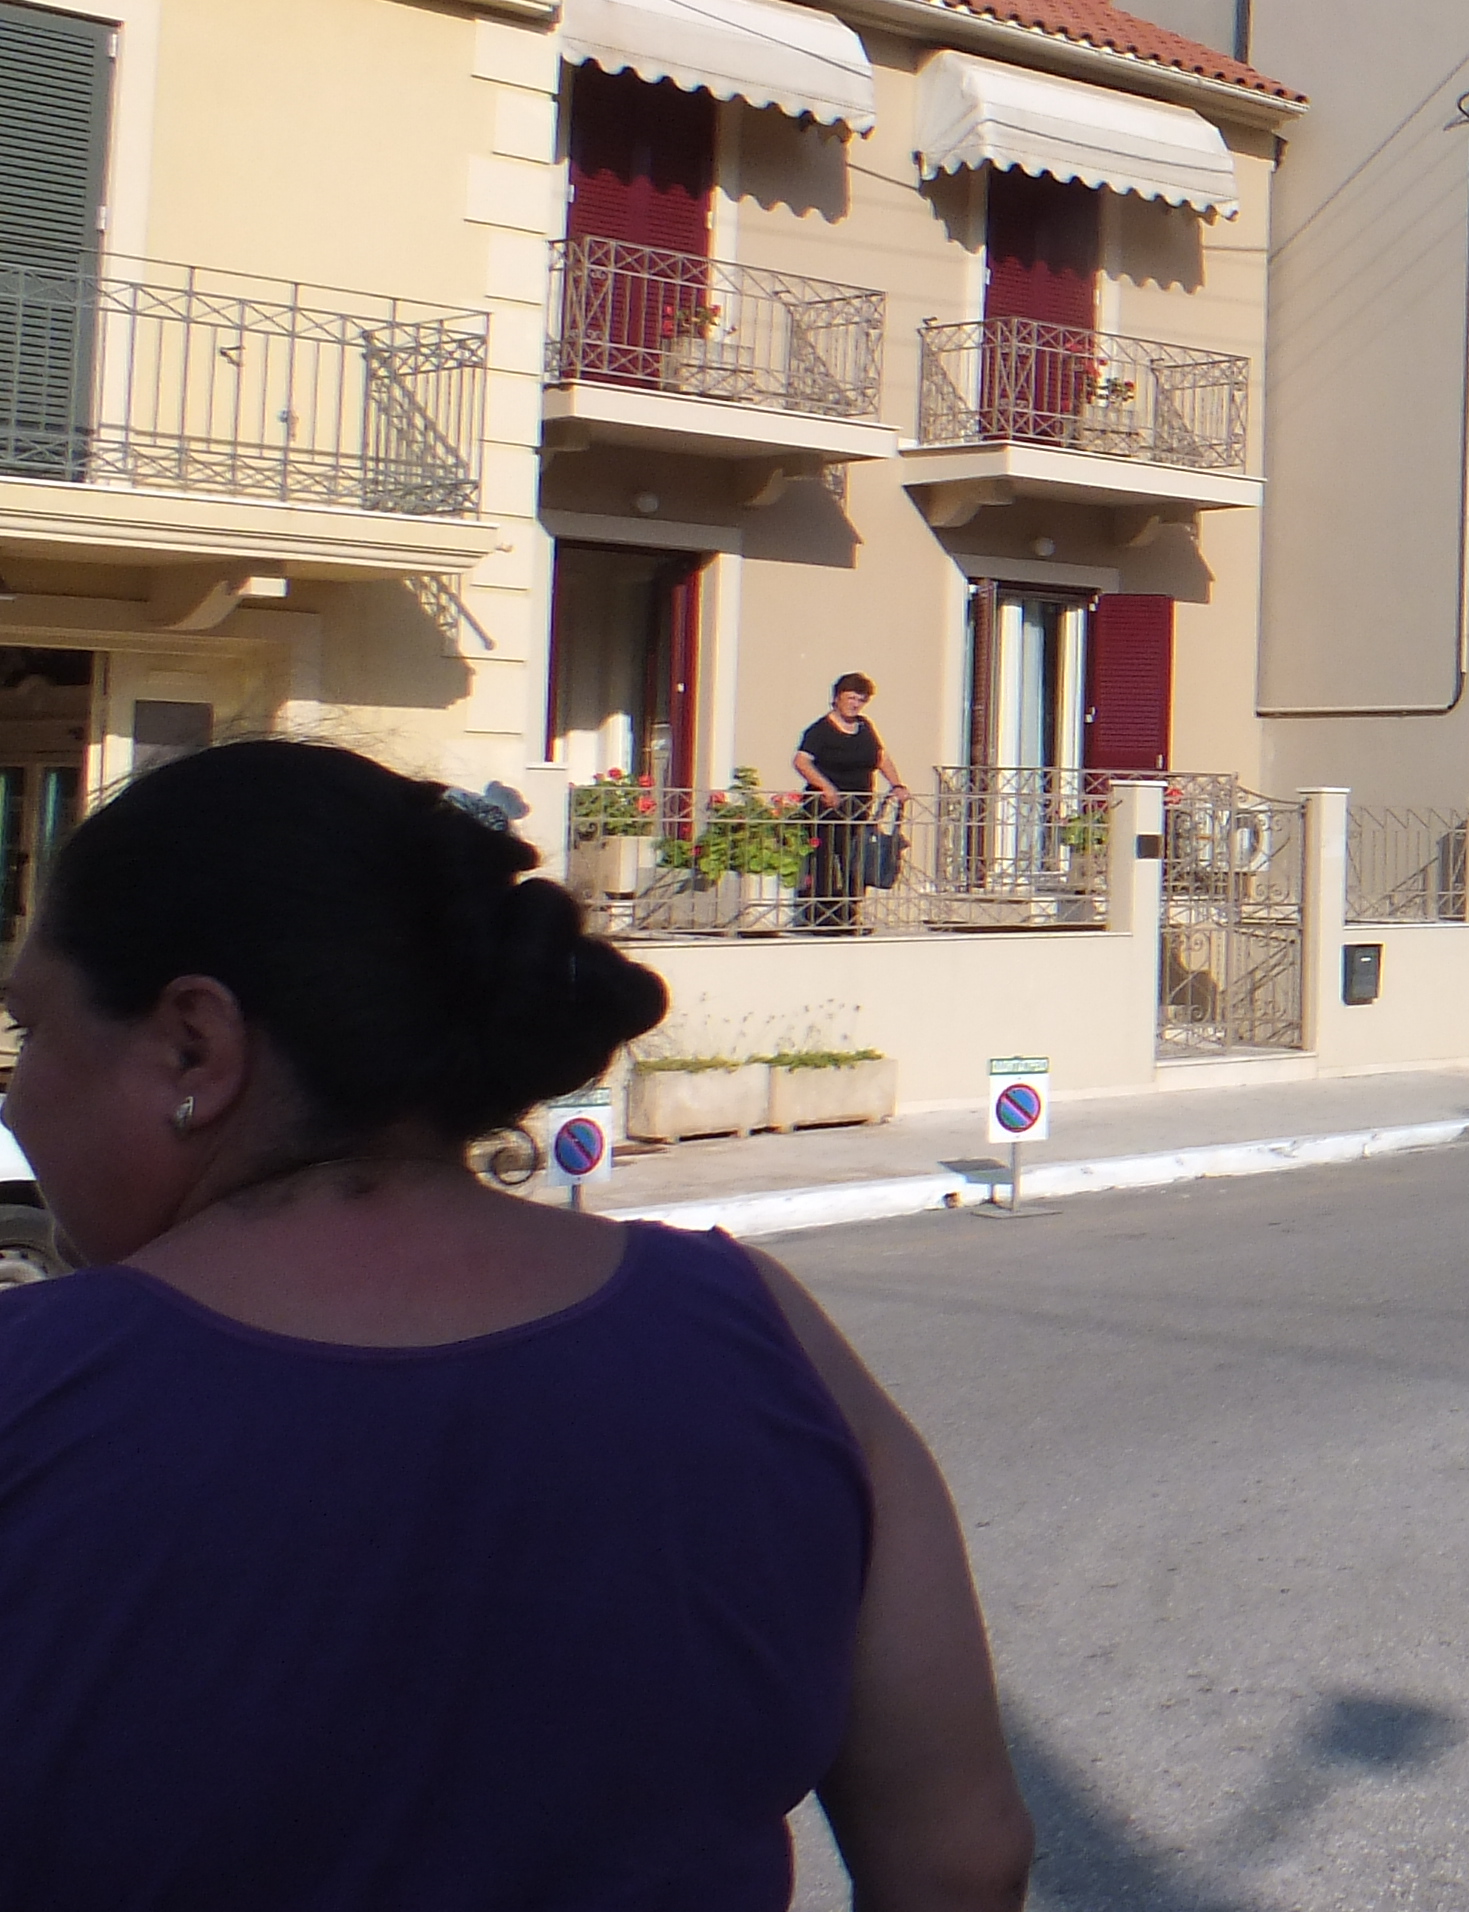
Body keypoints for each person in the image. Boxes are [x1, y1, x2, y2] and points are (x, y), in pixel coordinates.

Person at [0, 741, 1034, 1903]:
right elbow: (964, 1860)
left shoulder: (28, 1391)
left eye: (30, 1032)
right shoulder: (763, 1335)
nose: (17, 1092)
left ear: (194, 1043)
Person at [791, 672, 912, 933]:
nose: (855, 704)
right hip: (825, 811)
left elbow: (880, 757)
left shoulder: (865, 727)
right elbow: (801, 761)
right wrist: (826, 787)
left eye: (861, 700)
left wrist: (897, 785)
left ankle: (849, 917)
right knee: (824, 863)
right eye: (851, 698)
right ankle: (822, 919)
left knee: (854, 863)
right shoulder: (820, 730)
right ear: (837, 698)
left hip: (858, 810)